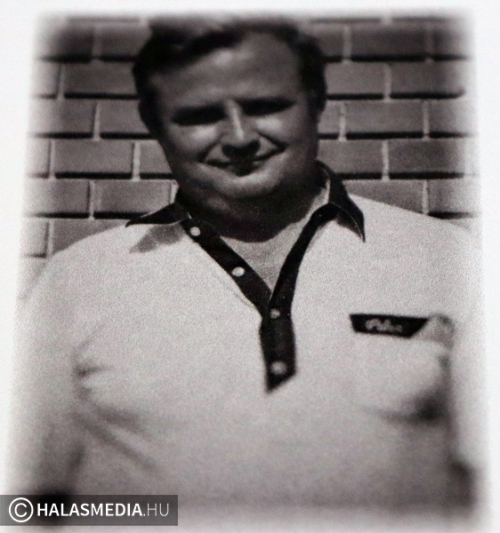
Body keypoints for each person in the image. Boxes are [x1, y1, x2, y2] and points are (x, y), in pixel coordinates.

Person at [8, 17, 482, 513]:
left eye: (265, 106)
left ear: (317, 100)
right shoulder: (79, 280)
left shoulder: (446, 259)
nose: (238, 137)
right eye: (199, 116)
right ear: (154, 124)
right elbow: (25, 504)